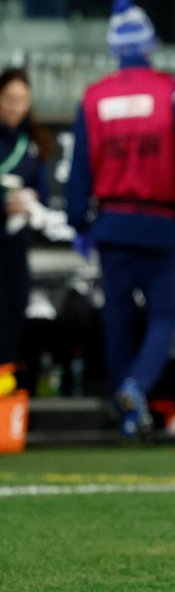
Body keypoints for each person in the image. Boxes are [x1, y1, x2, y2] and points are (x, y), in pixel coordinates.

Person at [66, 0, 175, 438]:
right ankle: (137, 385)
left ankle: (125, 409)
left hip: (111, 224)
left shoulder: (93, 98)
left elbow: (79, 171)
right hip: (162, 225)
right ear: (148, 45)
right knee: (166, 311)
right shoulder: (171, 91)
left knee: (118, 318)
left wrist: (80, 224)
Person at [0, 68, 51, 368]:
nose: (14, 106)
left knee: (14, 309)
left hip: (16, 245)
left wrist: (30, 201)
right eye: (8, 98)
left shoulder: (32, 143)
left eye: (21, 100)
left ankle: (6, 379)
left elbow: (42, 189)